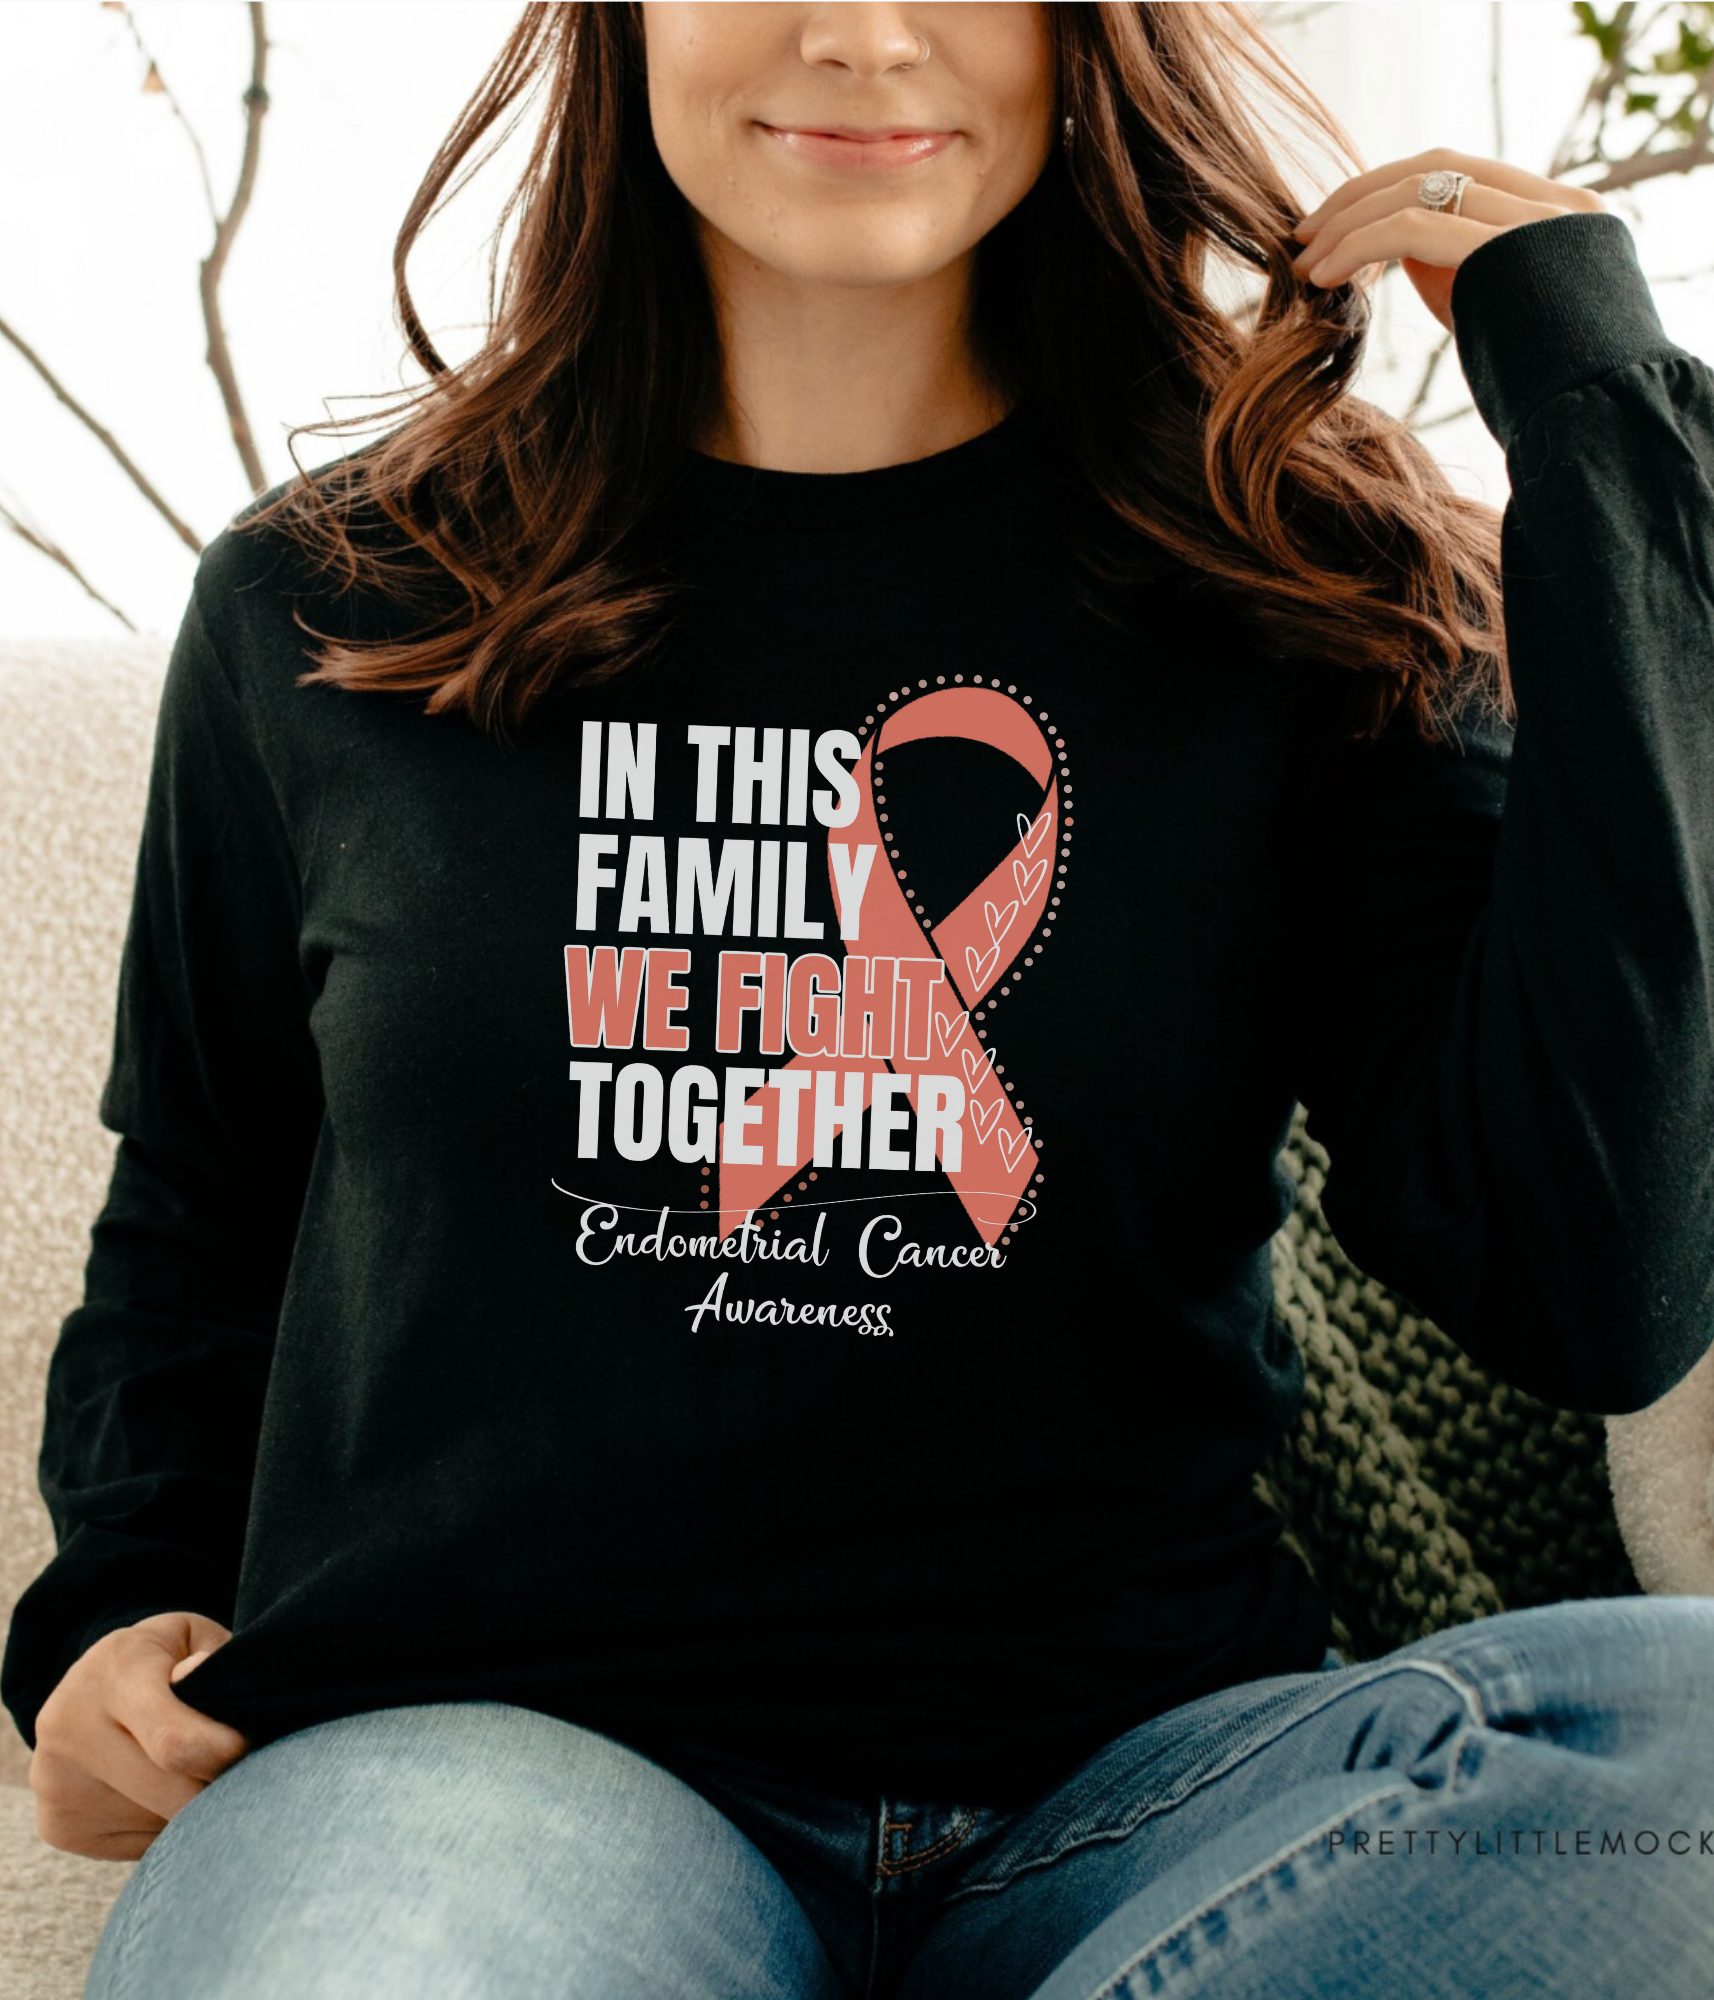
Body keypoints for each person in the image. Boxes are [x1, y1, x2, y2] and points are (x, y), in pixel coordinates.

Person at [6, 3, 1714, 1995]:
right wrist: (106, 1609)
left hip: (1151, 1811)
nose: (858, 33)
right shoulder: (340, 604)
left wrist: (1598, 410)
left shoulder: (1289, 597)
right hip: (496, 1773)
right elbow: (205, 1208)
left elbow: (1600, 1269)